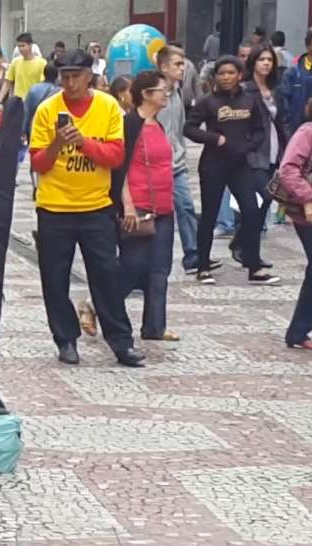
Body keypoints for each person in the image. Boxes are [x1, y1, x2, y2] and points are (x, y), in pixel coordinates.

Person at [29, 48, 144, 368]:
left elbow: (115, 157)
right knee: (54, 279)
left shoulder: (108, 107)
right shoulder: (46, 110)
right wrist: (56, 143)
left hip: (96, 207)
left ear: (89, 76)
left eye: (75, 77)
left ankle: (121, 342)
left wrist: (82, 142)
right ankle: (65, 339)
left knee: (106, 276)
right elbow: (39, 163)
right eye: (64, 77)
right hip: (54, 207)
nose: (69, 83)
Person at [184, 56, 279, 285]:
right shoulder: (207, 102)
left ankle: (254, 266)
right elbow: (189, 128)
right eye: (222, 73)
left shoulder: (250, 101)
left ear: (239, 75)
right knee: (209, 215)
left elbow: (259, 130)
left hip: (240, 165)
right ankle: (203, 267)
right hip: (213, 165)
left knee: (251, 211)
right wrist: (213, 138)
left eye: (230, 73)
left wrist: (248, 146)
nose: (226, 77)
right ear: (215, 76)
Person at [114, 71, 179, 342]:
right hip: (138, 205)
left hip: (164, 205)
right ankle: (98, 306)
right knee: (133, 266)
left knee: (160, 269)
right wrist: (127, 205)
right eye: (162, 90)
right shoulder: (130, 124)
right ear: (146, 94)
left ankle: (155, 327)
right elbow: (120, 168)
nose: (167, 94)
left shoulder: (158, 124)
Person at [156, 45, 216, 276]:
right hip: (157, 165)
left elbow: (179, 127)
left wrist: (179, 150)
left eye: (183, 63)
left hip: (176, 162)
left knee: (186, 207)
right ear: (163, 66)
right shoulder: (154, 93)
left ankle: (192, 255)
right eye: (177, 64)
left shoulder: (179, 91)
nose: (183, 68)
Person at [277, 85, 312, 350]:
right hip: (311, 212)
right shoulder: (309, 132)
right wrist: (308, 200)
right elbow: (288, 169)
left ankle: (298, 331)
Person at [237, 45, 289, 267]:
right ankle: (248, 251)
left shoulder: (275, 91)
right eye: (262, 59)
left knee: (265, 204)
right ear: (253, 63)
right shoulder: (245, 89)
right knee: (263, 197)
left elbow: (282, 122)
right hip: (253, 154)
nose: (266, 63)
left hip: (274, 152)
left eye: (270, 60)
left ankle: (244, 247)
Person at [280, 29, 312, 137]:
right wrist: (287, 132)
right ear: (308, 47)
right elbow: (284, 104)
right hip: (298, 131)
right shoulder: (293, 73)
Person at [23, 62, 60, 140]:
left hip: (33, 128)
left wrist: (23, 131)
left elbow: (26, 112)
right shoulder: (59, 92)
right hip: (51, 131)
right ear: (57, 76)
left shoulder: (33, 89)